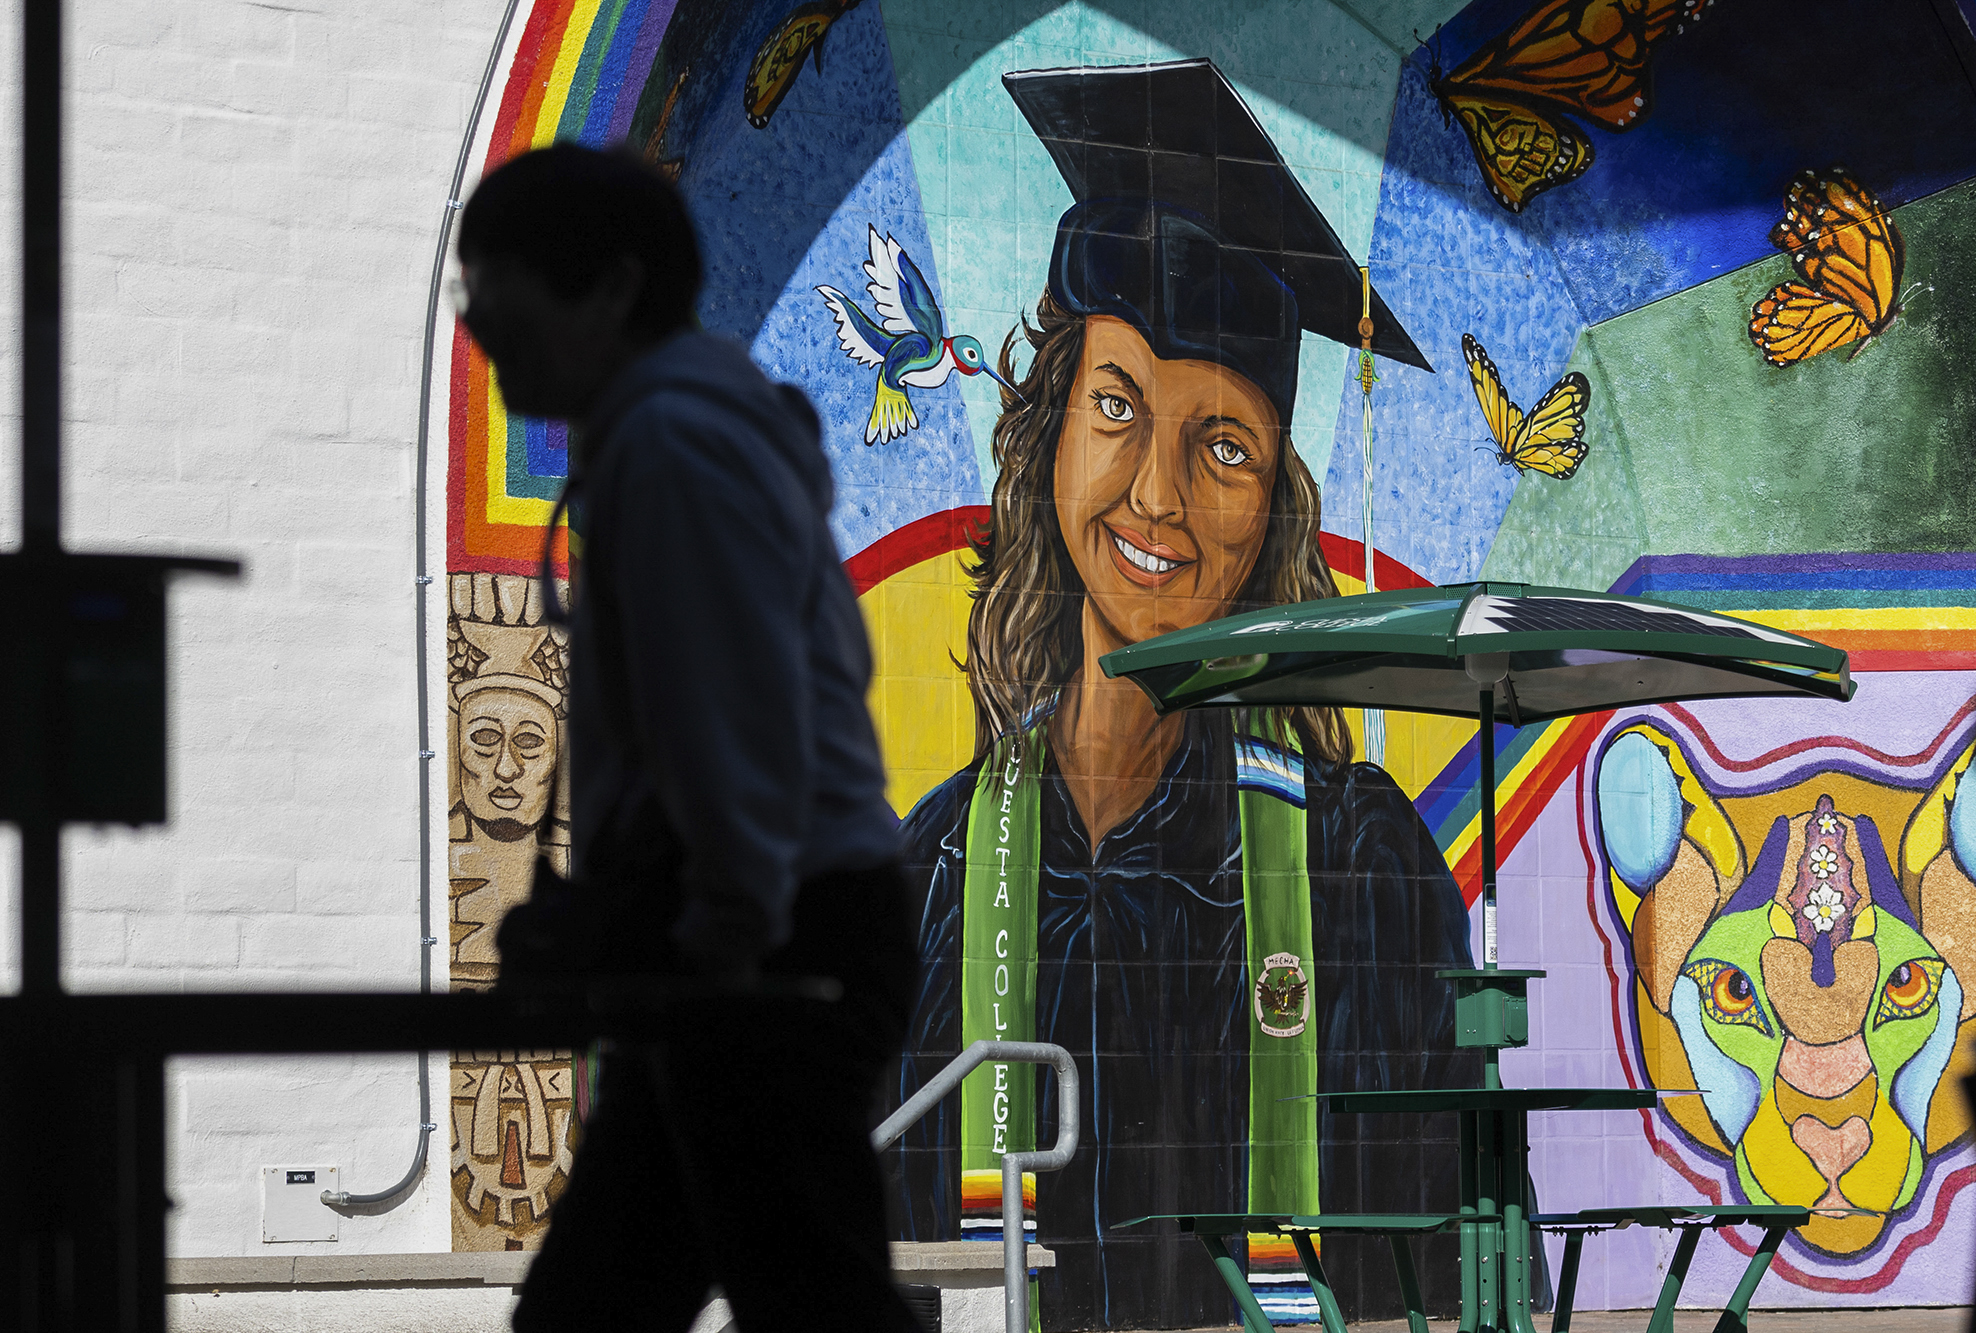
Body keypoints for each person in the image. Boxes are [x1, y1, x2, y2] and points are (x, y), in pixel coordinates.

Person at [887, 61, 1480, 1328]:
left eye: (1222, 446)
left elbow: (1449, 1254)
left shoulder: (1356, 867)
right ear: (1048, 435)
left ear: (1271, 504)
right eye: (1114, 407)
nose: (1156, 494)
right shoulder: (928, 877)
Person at [454, 142, 919, 1333]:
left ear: (607, 289)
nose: (481, 330)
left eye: (498, 296)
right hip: (772, 926)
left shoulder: (666, 450)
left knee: (779, 1302)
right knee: (655, 1304)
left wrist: (721, 935)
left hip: (761, 939)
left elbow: (729, 720)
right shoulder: (686, 435)